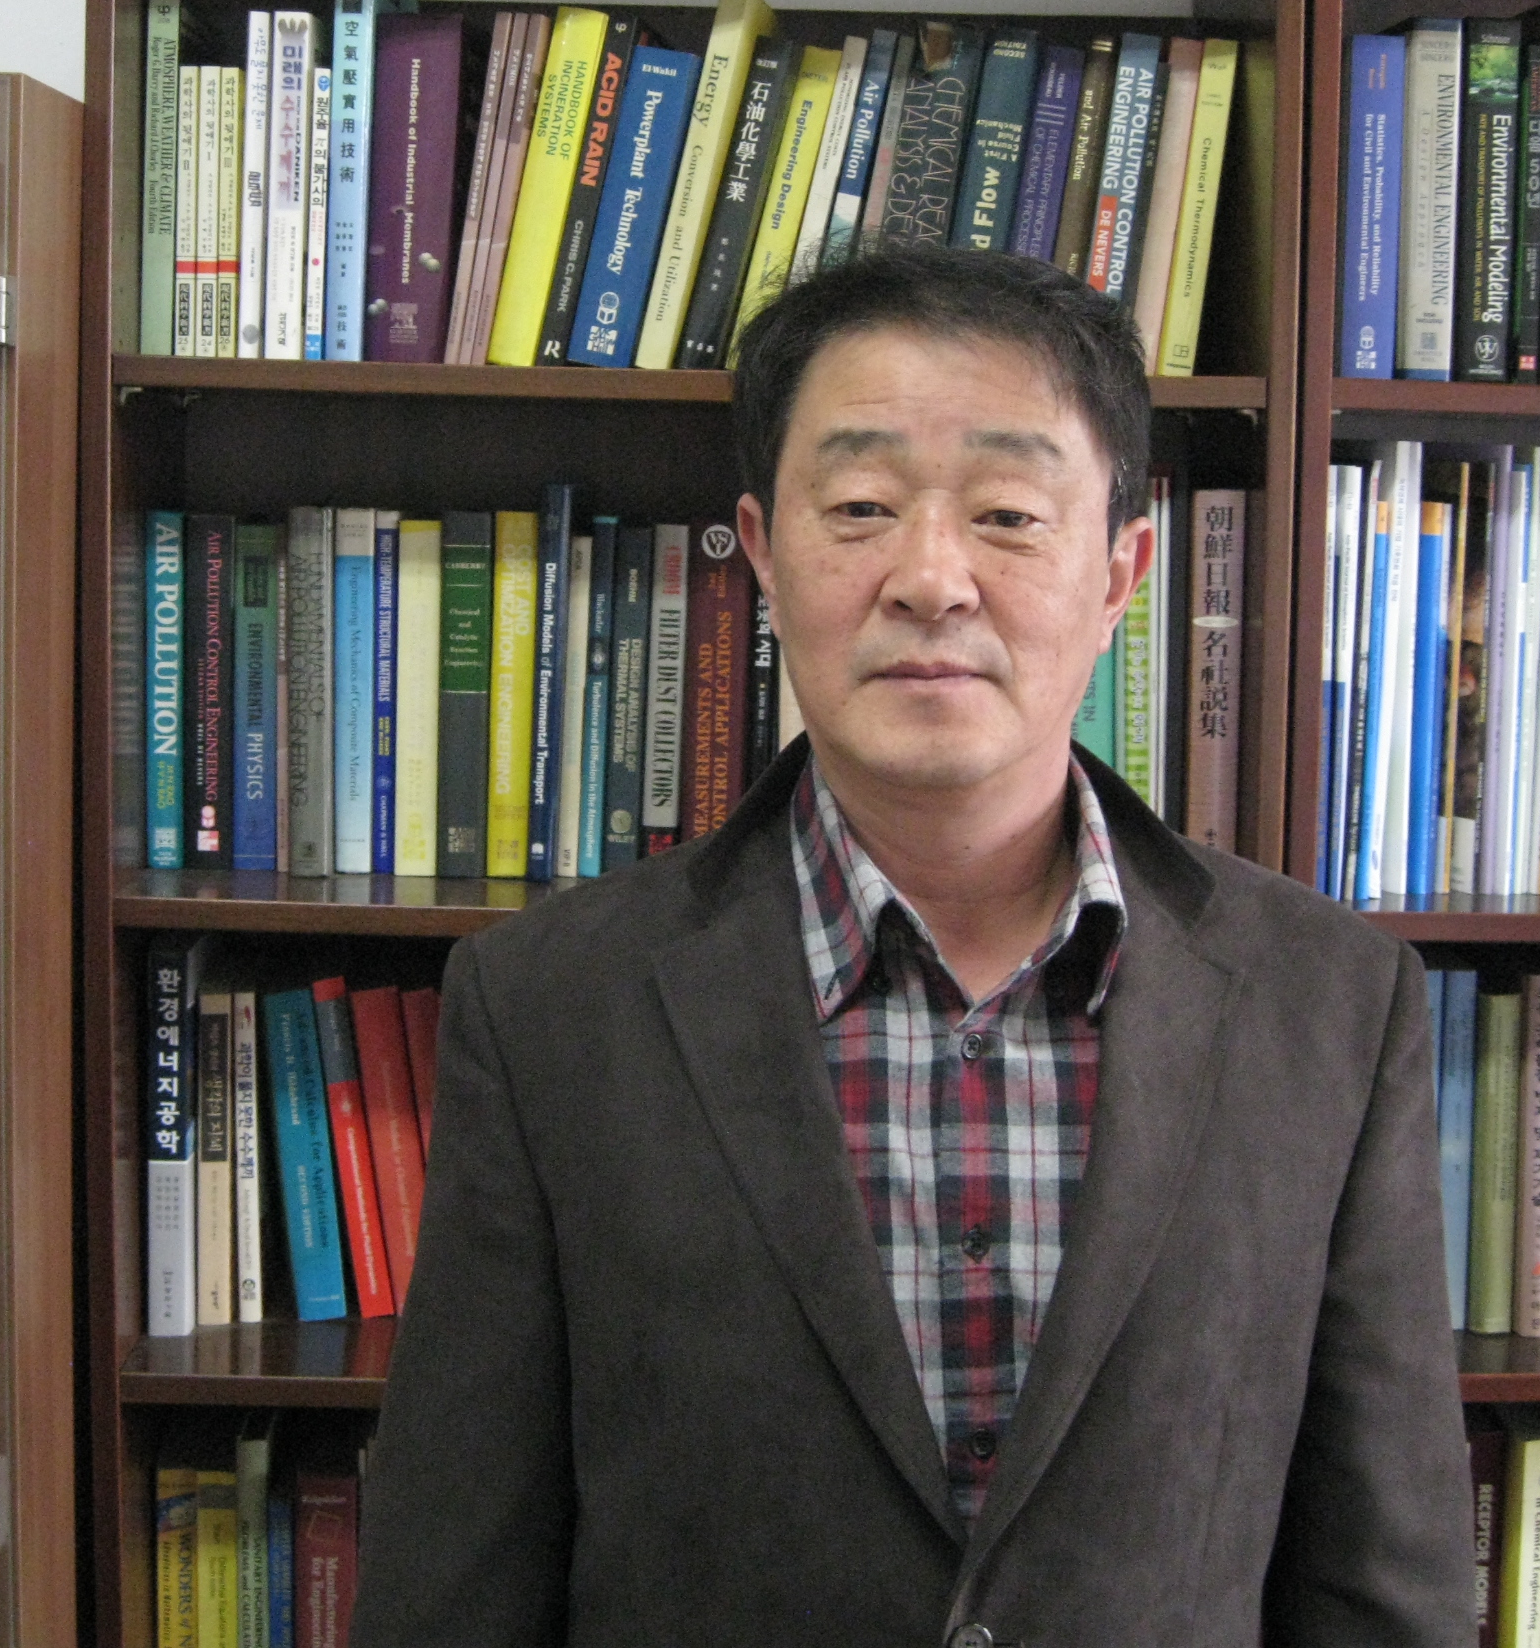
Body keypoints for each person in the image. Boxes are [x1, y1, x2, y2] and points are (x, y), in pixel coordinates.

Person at [352, 246, 1470, 1646]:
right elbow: (453, 1583)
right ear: (764, 554)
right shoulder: (551, 1009)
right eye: (863, 508)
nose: (932, 579)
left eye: (1007, 515)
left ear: (1121, 572)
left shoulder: (1332, 1009)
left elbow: (1384, 1591)